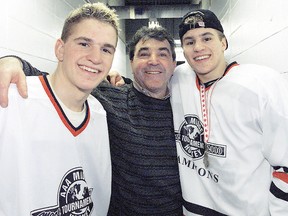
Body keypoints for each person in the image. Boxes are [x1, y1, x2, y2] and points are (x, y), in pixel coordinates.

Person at [0, 26, 183, 215]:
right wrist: (12, 62)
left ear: (173, 63)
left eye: (162, 54)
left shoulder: (186, 109)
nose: (153, 61)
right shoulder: (110, 99)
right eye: (144, 54)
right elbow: (55, 81)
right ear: (132, 61)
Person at [0, 2, 119, 215]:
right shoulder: (12, 99)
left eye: (106, 49)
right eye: (84, 44)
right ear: (60, 49)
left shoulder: (100, 113)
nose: (95, 57)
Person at [170, 9, 288, 215]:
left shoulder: (261, 85)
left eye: (206, 38)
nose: (198, 47)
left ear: (223, 43)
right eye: (189, 42)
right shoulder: (178, 79)